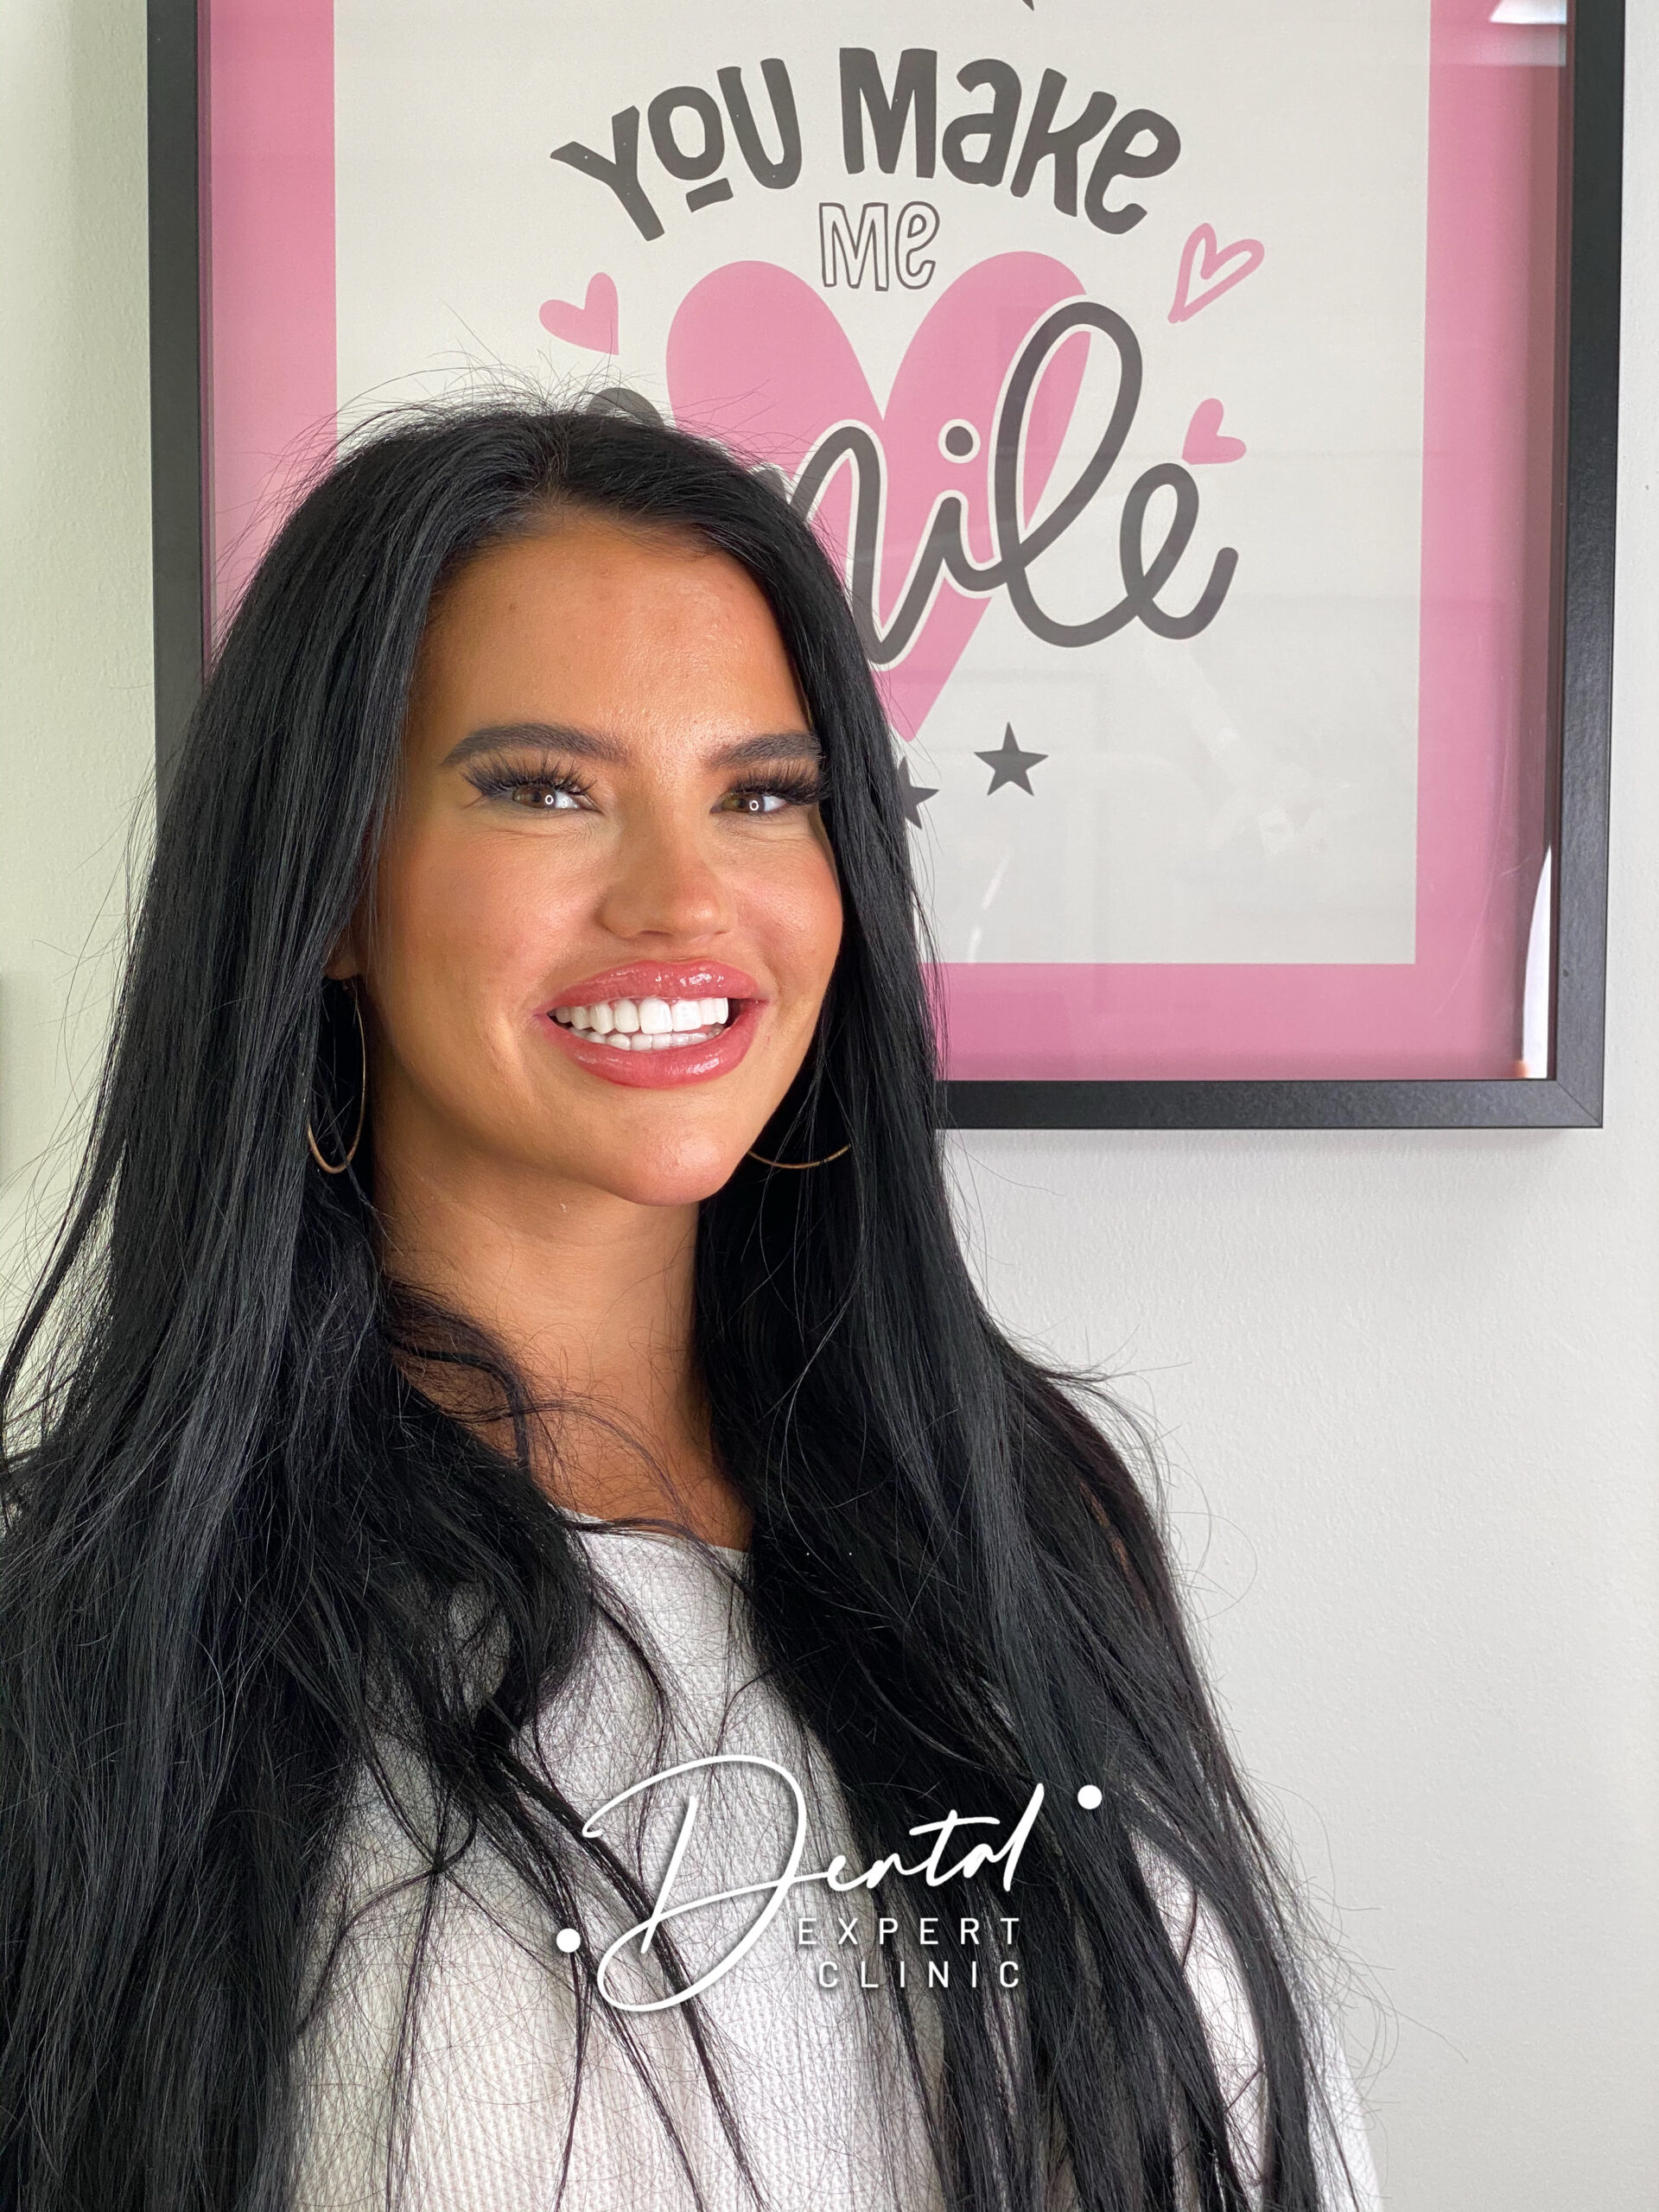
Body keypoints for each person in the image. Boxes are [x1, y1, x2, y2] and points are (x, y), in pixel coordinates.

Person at [0, 401, 1380, 2211]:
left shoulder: (1027, 1511)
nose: (685, 899)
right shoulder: (104, 1632)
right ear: (331, 882)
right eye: (544, 786)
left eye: (763, 794)